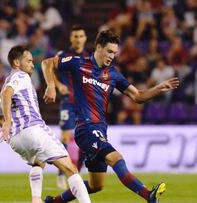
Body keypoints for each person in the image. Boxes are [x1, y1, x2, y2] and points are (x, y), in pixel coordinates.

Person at [41, 30, 179, 203]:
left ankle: (52, 202)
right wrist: (51, 86)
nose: (112, 56)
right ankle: (148, 195)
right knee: (116, 158)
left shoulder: (113, 74)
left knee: (96, 185)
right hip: (85, 128)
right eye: (109, 51)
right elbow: (47, 63)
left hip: (100, 130)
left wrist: (157, 89)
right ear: (99, 47)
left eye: (115, 53)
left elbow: (137, 96)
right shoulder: (78, 63)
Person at [0, 45, 91, 203]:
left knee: (39, 162)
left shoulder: (9, 81)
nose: (33, 65)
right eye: (29, 61)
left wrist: (7, 126)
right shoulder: (20, 76)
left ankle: (36, 199)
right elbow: (6, 93)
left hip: (16, 140)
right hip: (33, 130)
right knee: (71, 169)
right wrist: (8, 123)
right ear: (17, 63)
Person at [55, 25, 90, 189]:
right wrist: (57, 84)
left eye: (81, 36)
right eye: (75, 36)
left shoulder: (90, 57)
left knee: (84, 139)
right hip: (68, 102)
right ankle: (62, 173)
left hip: (84, 104)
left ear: (85, 38)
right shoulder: (62, 56)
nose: (78, 39)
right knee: (66, 137)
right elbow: (49, 69)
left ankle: (78, 170)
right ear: (71, 38)